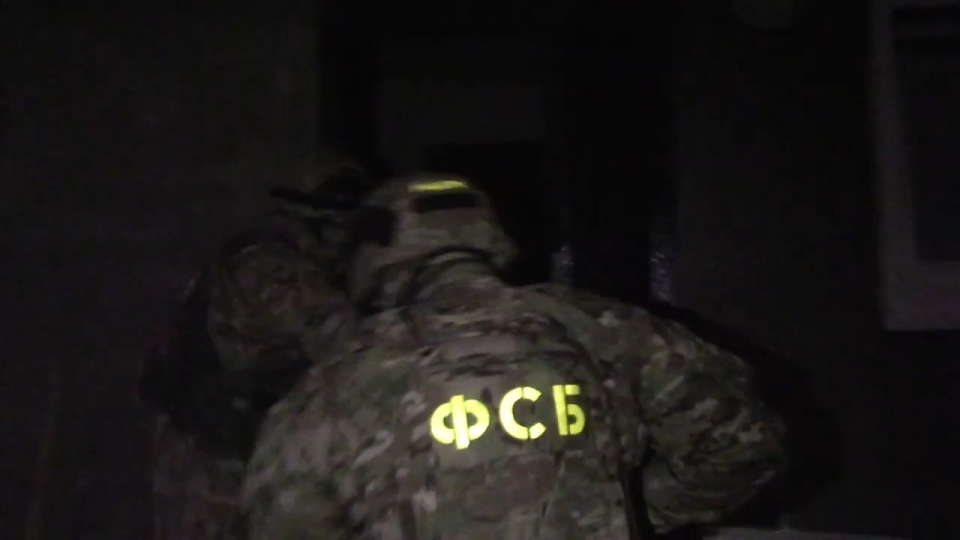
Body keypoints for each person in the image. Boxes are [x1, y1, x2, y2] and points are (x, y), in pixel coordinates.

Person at [243, 174, 788, 539]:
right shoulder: (608, 329)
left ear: (378, 255)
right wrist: (632, 511)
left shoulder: (342, 375)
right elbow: (747, 444)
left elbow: (283, 517)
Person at [139, 150, 373, 540]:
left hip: (211, 449)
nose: (346, 241)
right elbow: (357, 353)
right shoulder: (276, 270)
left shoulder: (257, 256)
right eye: (338, 226)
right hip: (219, 459)